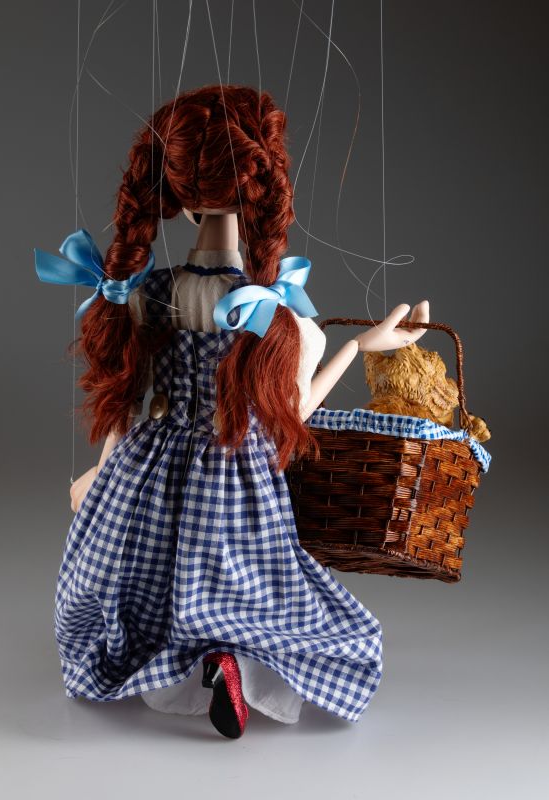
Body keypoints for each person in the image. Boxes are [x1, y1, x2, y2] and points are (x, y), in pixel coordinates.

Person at [45, 85, 429, 739]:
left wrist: (102, 470)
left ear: (180, 197)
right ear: (262, 193)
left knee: (141, 574)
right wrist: (359, 347)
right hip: (237, 464)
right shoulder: (278, 317)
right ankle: (226, 657)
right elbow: (294, 410)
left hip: (152, 460)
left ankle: (173, 659)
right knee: (248, 576)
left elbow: (129, 398)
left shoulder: (145, 296)